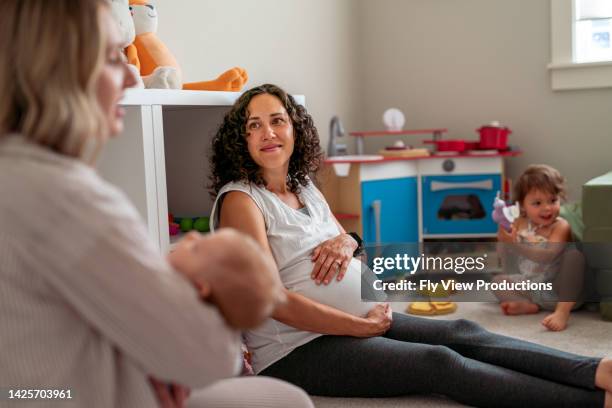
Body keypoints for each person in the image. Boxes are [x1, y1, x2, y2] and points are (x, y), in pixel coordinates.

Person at [208, 83, 612, 407]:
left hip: (361, 321)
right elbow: (270, 299)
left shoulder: (304, 187)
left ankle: (596, 370)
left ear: (295, 128)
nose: (268, 133)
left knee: (462, 329)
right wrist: (358, 325)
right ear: (240, 140)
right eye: (253, 126)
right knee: (439, 364)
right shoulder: (242, 200)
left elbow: (346, 241)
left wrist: (349, 242)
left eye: (277, 120)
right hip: (297, 351)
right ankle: (592, 401)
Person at [0, 2, 313, 407]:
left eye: (278, 121)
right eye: (114, 56)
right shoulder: (71, 202)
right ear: (57, 72)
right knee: (285, 400)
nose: (133, 74)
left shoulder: (21, 181)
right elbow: (208, 357)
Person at [496, 164, 584, 331]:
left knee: (574, 257)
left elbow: (549, 255)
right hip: (534, 287)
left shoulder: (560, 226)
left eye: (553, 200)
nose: (547, 208)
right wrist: (503, 240)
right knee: (497, 281)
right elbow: (505, 257)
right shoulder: (520, 223)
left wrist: (515, 246)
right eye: (537, 203)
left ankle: (562, 312)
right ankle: (527, 305)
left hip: (560, 290)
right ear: (522, 206)